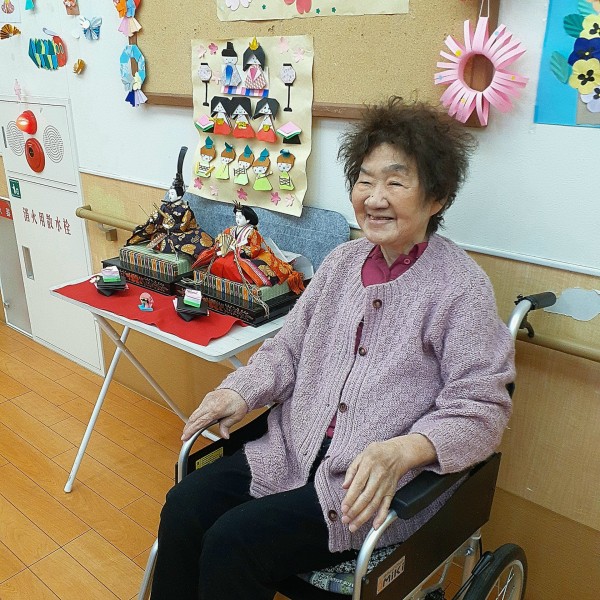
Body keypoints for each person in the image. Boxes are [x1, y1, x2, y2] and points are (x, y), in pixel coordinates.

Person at [150, 97, 515, 600]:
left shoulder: (461, 289)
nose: (375, 197)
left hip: (365, 489)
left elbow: (483, 408)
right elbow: (288, 349)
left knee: (233, 544)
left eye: (395, 182)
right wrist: (241, 391)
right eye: (364, 180)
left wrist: (404, 450)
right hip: (288, 450)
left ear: (437, 198)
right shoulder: (342, 263)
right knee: (184, 506)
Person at [192, 203, 305, 294]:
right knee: (218, 263)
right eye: (236, 216)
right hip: (230, 253)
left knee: (232, 267)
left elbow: (255, 248)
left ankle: (245, 279)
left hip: (244, 256)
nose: (237, 219)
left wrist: (241, 250)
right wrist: (221, 244)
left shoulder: (252, 232)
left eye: (240, 217)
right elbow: (222, 239)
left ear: (248, 220)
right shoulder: (230, 230)